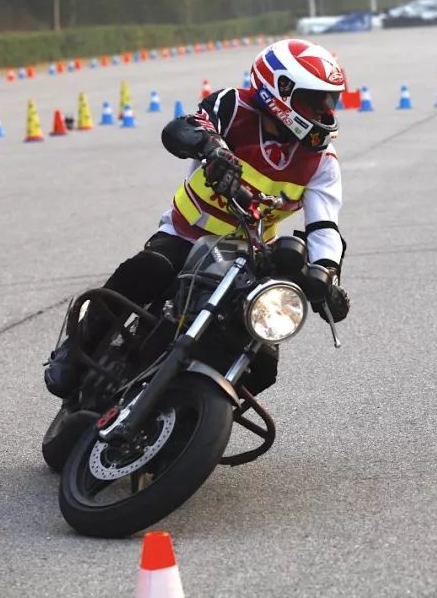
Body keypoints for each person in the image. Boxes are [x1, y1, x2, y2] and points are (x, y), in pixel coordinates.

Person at [44, 38, 351, 399]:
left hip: (251, 257)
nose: (324, 111)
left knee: (264, 365)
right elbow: (184, 128)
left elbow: (324, 227)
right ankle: (74, 347)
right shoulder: (233, 106)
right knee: (148, 270)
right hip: (186, 235)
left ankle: (187, 409)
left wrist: (325, 275)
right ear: (280, 89)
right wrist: (213, 150)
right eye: (314, 100)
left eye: (329, 101)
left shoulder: (322, 162)